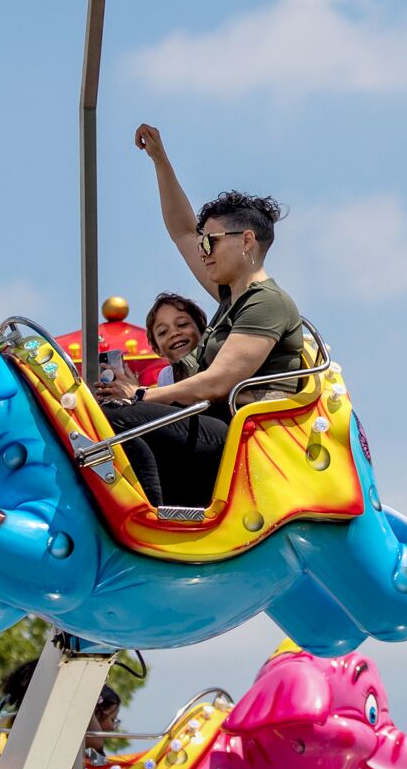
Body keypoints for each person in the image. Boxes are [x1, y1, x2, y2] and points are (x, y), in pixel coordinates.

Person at [94, 124, 306, 510]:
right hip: (215, 429)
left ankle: (150, 527)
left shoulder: (267, 302)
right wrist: (160, 160)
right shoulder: (230, 298)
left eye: (211, 241)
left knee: (116, 416)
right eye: (203, 242)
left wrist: (140, 393)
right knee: (106, 422)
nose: (203, 250)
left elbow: (219, 381)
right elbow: (181, 232)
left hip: (246, 443)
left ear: (246, 241)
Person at [141, 292, 209, 384]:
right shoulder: (165, 377)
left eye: (182, 324)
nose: (174, 333)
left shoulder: (215, 361)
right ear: (157, 349)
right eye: (163, 332)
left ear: (202, 331)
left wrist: (138, 393)